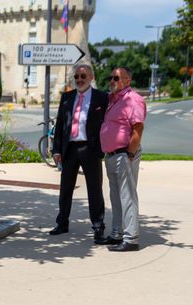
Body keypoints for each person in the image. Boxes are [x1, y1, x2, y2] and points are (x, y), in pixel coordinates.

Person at [49, 64, 109, 244]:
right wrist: (56, 149)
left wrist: (102, 147)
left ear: (91, 77)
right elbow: (60, 125)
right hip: (70, 149)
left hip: (90, 150)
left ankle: (98, 227)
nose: (79, 80)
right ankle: (62, 222)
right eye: (76, 77)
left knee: (95, 190)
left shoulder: (101, 97)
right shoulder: (67, 97)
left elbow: (107, 123)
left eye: (83, 76)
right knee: (65, 188)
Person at [99, 67, 146, 252]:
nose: (112, 80)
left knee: (127, 196)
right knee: (115, 196)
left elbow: (138, 128)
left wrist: (130, 153)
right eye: (111, 77)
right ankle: (117, 233)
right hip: (111, 154)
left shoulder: (132, 99)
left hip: (124, 154)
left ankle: (131, 238)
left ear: (128, 80)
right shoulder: (113, 99)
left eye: (116, 77)